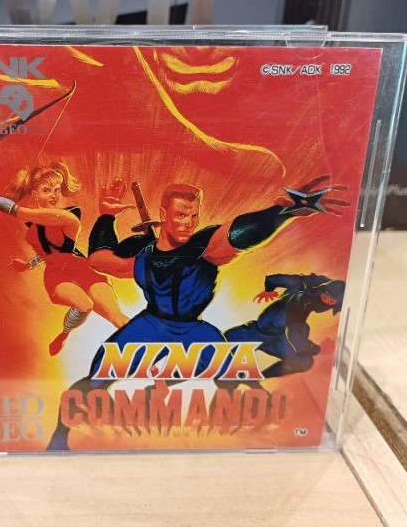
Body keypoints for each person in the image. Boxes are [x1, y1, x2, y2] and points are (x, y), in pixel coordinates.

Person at [47, 176, 346, 449]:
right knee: (98, 377)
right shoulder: (142, 253)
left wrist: (283, 212)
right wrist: (106, 217)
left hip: (194, 329)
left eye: (193, 216)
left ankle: (245, 433)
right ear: (163, 214)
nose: (188, 224)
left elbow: (238, 234)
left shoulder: (205, 246)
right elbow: (101, 260)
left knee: (233, 373)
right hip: (150, 324)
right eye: (180, 215)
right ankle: (59, 439)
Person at [0, 162, 128, 356]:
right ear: (35, 195)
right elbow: (46, 254)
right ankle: (64, 334)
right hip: (57, 275)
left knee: (118, 318)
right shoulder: (31, 231)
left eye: (57, 190)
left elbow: (18, 211)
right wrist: (27, 264)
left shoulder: (67, 217)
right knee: (84, 305)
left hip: (81, 268)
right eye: (47, 190)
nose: (54, 195)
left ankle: (153, 352)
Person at [225, 273, 345, 377]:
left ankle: (260, 376)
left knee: (304, 362)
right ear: (320, 291)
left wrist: (269, 288)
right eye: (324, 297)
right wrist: (318, 350)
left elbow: (274, 279)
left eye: (331, 302)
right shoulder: (300, 299)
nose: (325, 302)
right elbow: (295, 335)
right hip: (254, 333)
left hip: (277, 339)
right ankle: (245, 372)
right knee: (225, 341)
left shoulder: (301, 286)